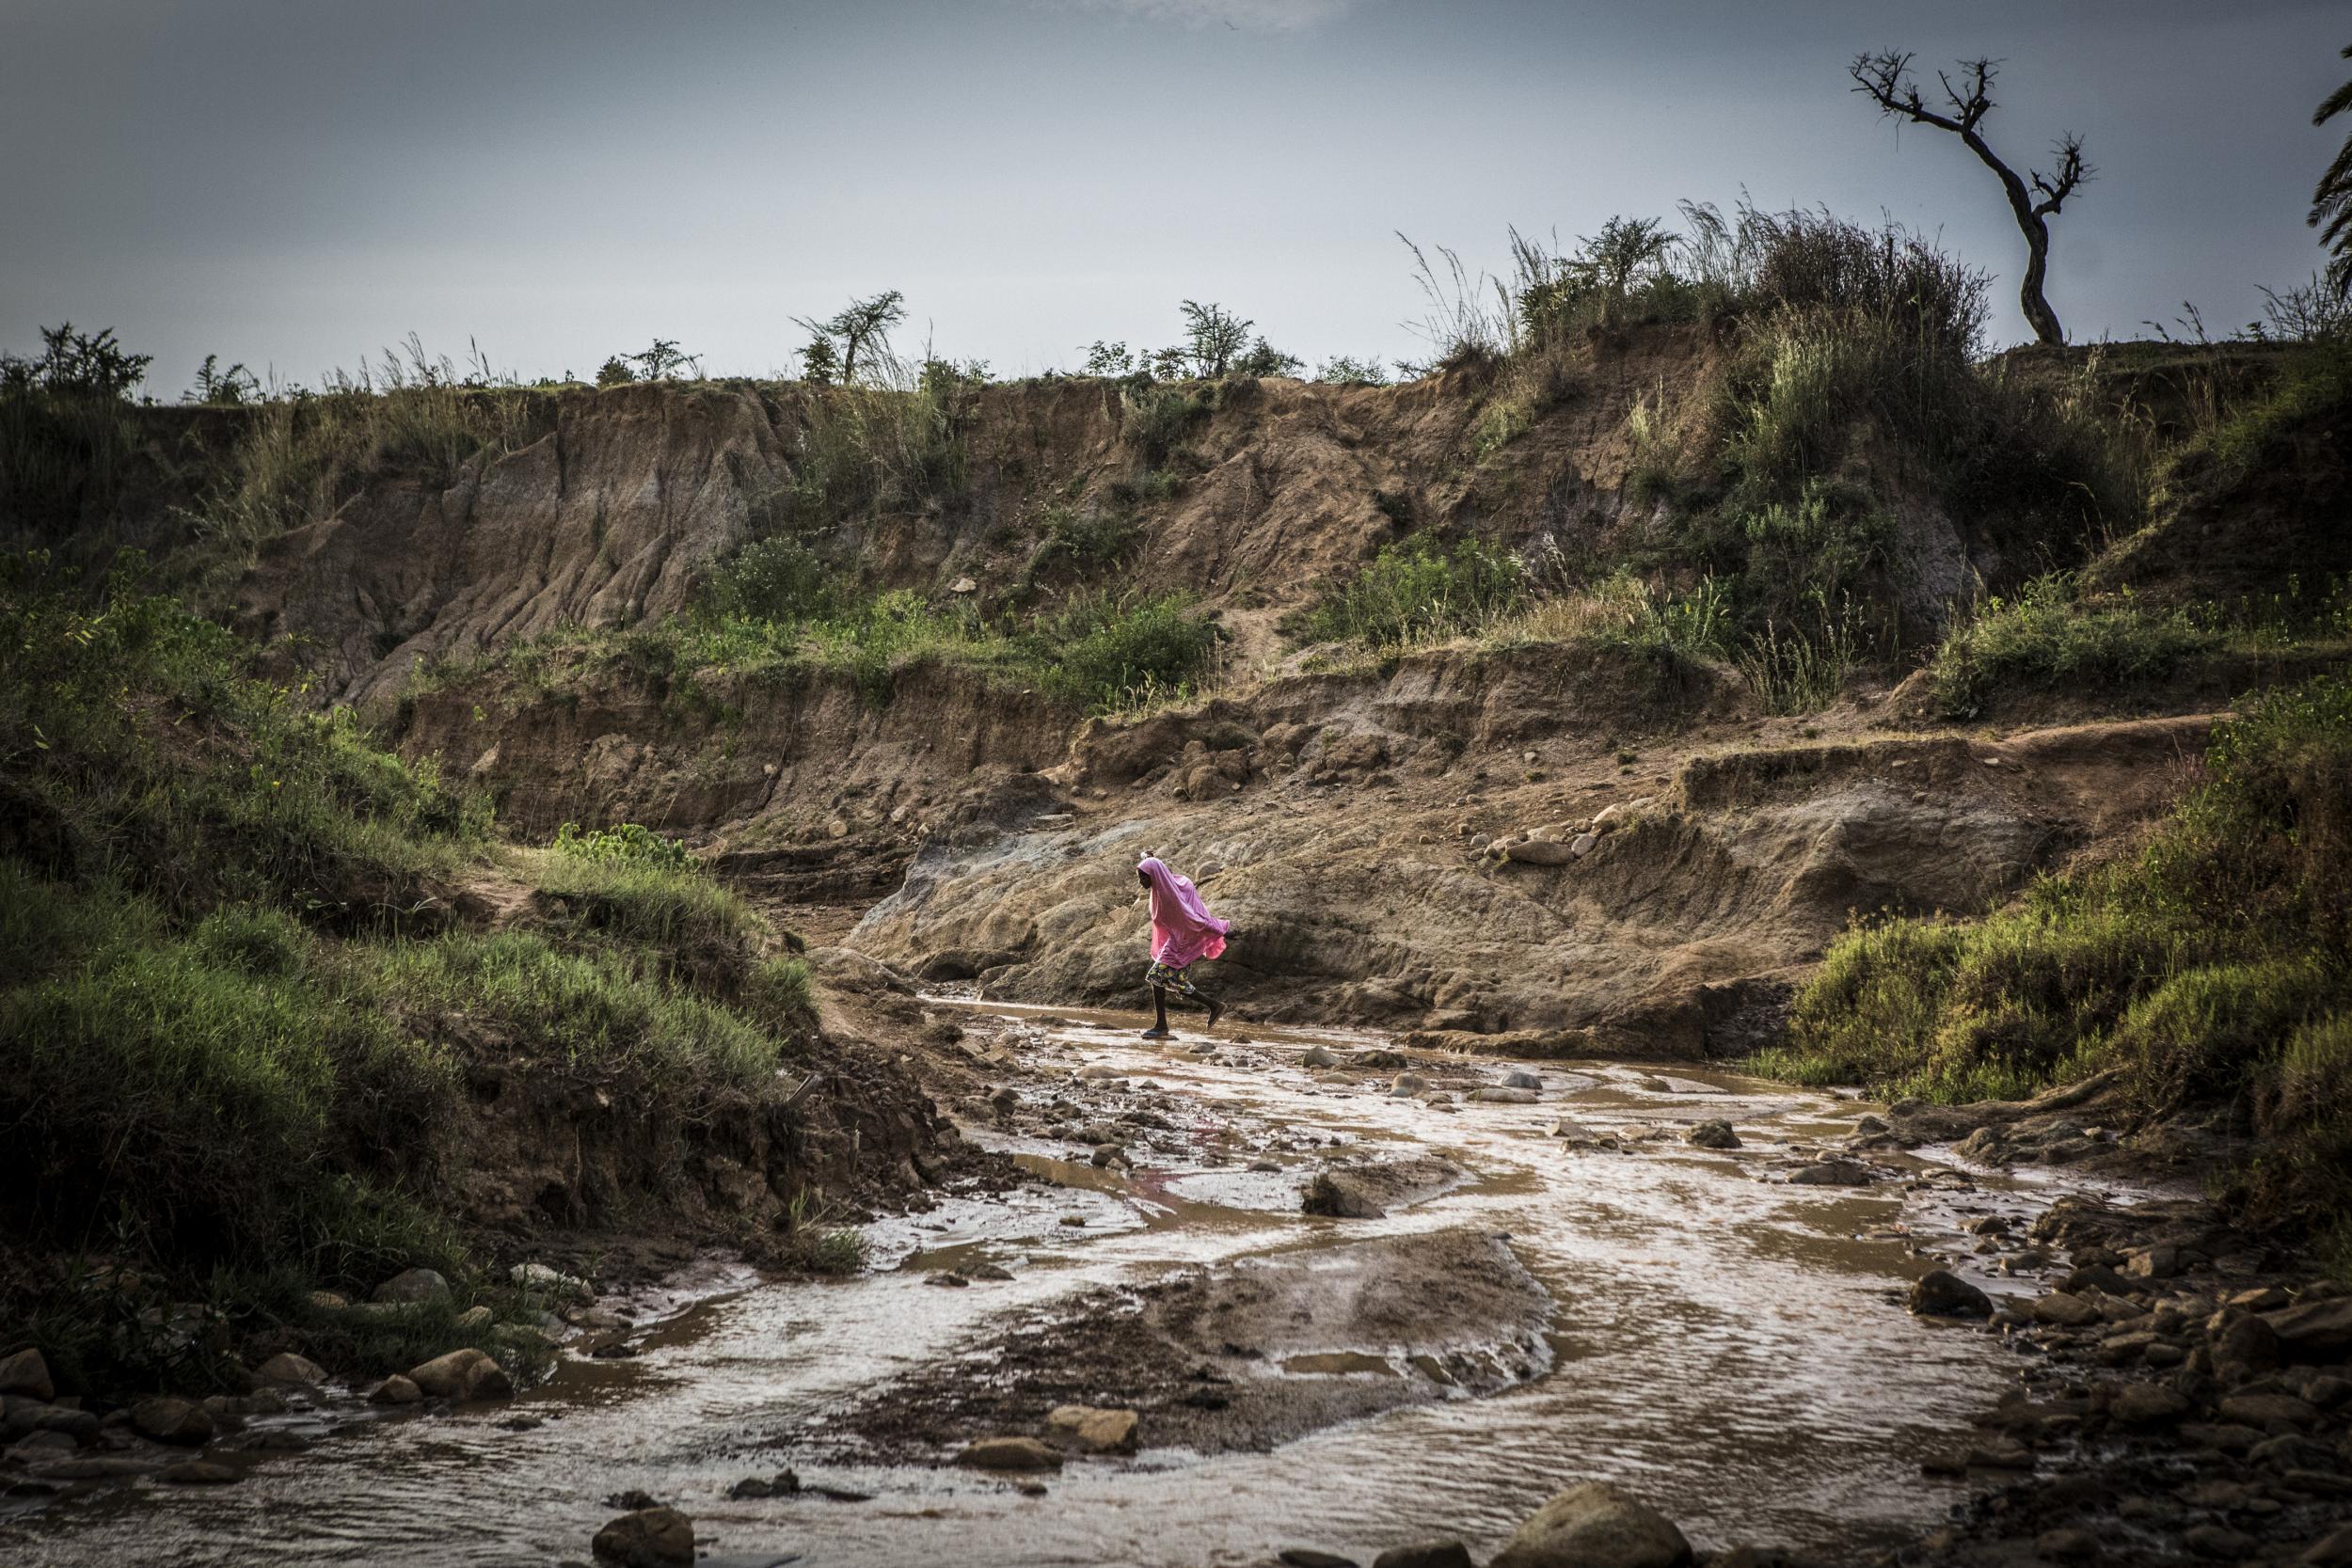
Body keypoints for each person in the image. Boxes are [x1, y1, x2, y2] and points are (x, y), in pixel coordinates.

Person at [1135, 855, 1228, 1039]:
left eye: (1143, 877)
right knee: (1174, 981)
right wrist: (1148, 858)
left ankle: (1162, 1025)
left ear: (1154, 876)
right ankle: (1214, 1006)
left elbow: (1193, 918)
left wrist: (1220, 929)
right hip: (1176, 941)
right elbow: (1154, 865)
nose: (1141, 882)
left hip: (1180, 944)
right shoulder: (1163, 887)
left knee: (1156, 976)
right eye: (1139, 877)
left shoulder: (1169, 896)